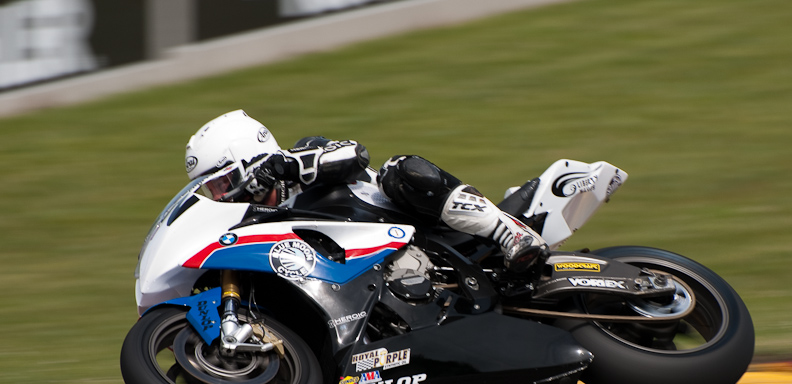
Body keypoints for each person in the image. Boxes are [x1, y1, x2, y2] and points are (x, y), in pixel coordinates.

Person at [184, 110, 546, 272]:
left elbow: (355, 154)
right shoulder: (254, 222)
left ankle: (509, 231)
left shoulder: (303, 155)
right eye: (212, 189)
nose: (220, 195)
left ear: (250, 162)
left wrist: (288, 167)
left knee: (400, 169)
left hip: (421, 233)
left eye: (222, 183)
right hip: (370, 275)